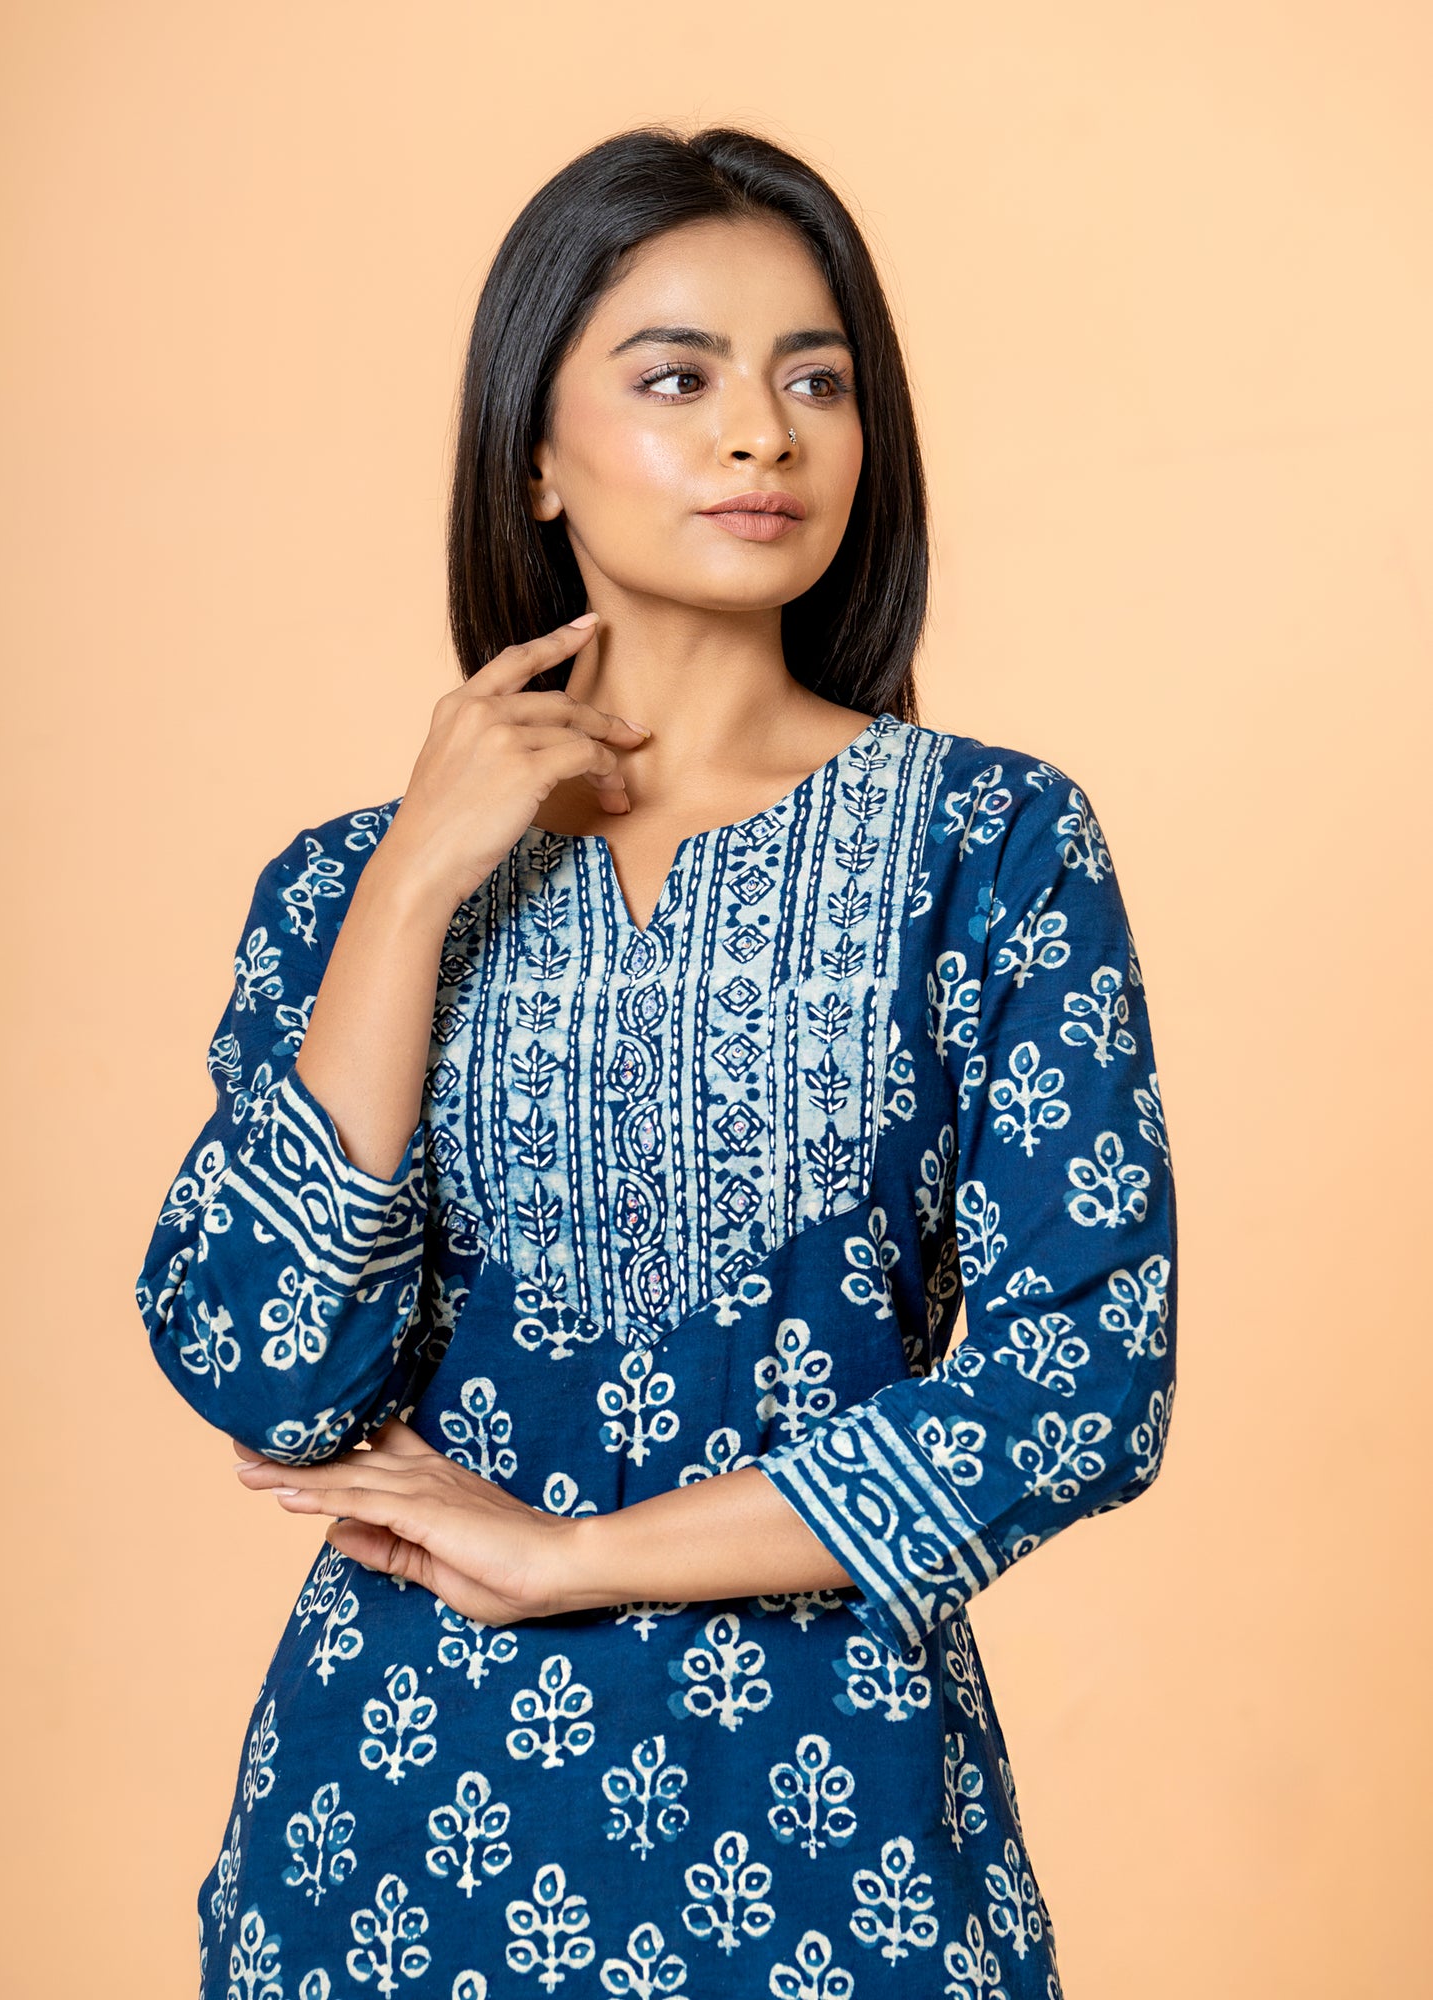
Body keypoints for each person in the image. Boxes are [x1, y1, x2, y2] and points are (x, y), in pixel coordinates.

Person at [136, 124, 1178, 2000]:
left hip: (831, 1827)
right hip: (390, 1825)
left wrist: (582, 1557)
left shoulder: (993, 850)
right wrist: (410, 890)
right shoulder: (343, 888)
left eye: (816, 379)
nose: (762, 433)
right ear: (531, 451)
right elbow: (265, 1371)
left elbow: (1082, 1384)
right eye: (678, 376)